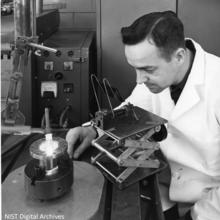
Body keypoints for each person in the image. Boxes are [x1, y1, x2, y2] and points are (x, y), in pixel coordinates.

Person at [66, 11, 220, 220]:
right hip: (166, 187)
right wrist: (93, 130)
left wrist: (197, 216)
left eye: (147, 69)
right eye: (135, 69)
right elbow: (130, 110)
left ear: (179, 56)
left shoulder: (216, 85)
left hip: (208, 204)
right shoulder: (158, 77)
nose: (139, 80)